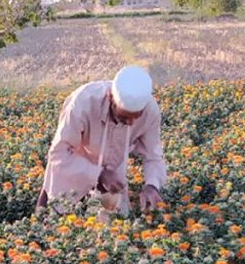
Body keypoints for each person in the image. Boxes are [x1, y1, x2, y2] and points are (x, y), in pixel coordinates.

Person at [36, 66, 167, 215]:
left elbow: (153, 155)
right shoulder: (82, 103)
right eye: (124, 117)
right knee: (54, 210)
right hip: (77, 158)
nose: (130, 123)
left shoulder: (151, 111)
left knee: (111, 225)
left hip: (114, 164)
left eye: (136, 117)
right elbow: (58, 153)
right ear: (110, 97)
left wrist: (152, 185)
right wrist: (98, 174)